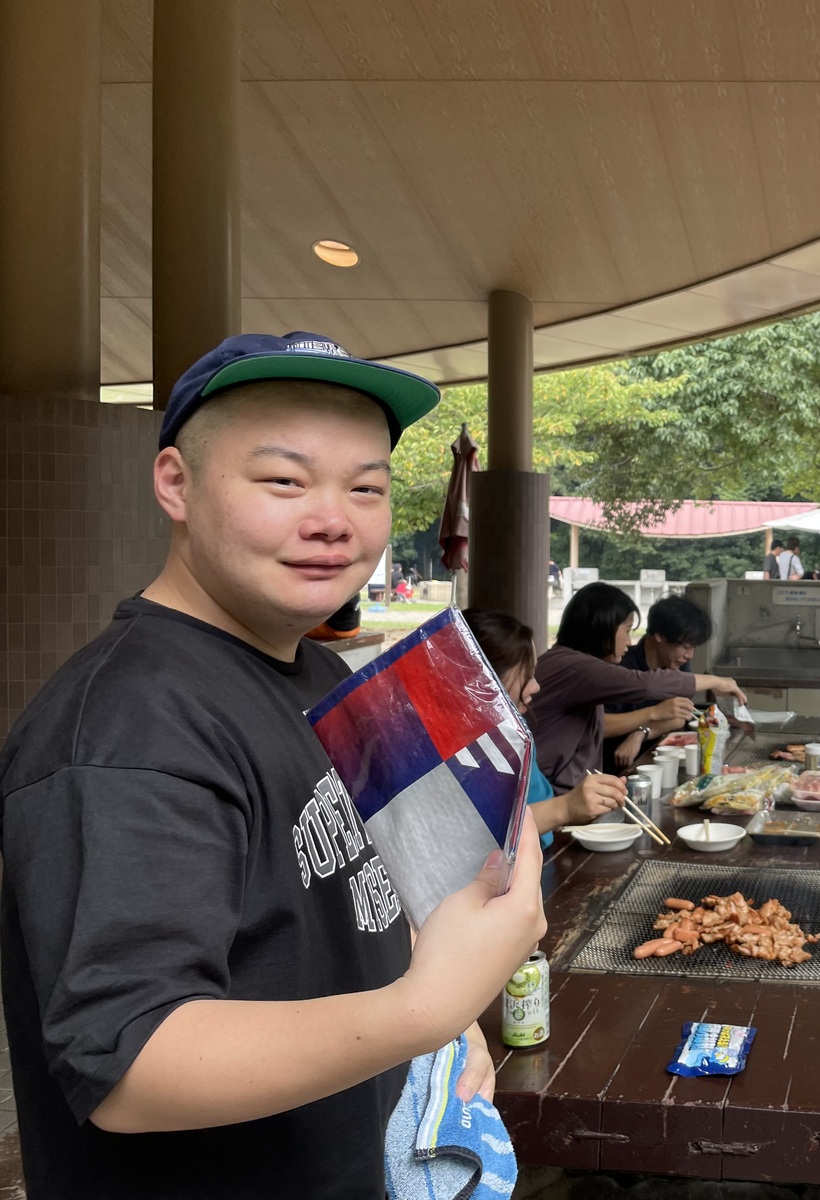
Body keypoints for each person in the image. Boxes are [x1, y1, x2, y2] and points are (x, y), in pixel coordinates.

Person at [0, 332, 547, 1199]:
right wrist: (427, 1011)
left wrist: (438, 1031)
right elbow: (129, 1060)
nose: (334, 518)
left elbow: (359, 894)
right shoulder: (125, 730)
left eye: (366, 487)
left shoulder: (324, 674)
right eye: (284, 480)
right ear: (174, 483)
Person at [528, 582, 745, 791]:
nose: (629, 642)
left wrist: (642, 730)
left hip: (569, 788)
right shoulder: (575, 667)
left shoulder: (574, 663)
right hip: (549, 793)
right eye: (628, 629)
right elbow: (647, 685)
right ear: (603, 626)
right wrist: (717, 681)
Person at [461, 607, 628, 842]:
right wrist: (567, 807)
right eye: (526, 675)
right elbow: (489, 832)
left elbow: (538, 809)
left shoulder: (513, 730)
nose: (535, 687)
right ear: (485, 678)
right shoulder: (460, 750)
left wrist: (586, 803)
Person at [602, 594, 714, 771]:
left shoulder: (678, 661)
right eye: (685, 646)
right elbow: (599, 726)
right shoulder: (621, 667)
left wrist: (641, 733)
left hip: (660, 760)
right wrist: (653, 713)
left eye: (693, 647)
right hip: (615, 769)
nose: (689, 655)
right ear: (659, 635)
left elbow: (678, 717)